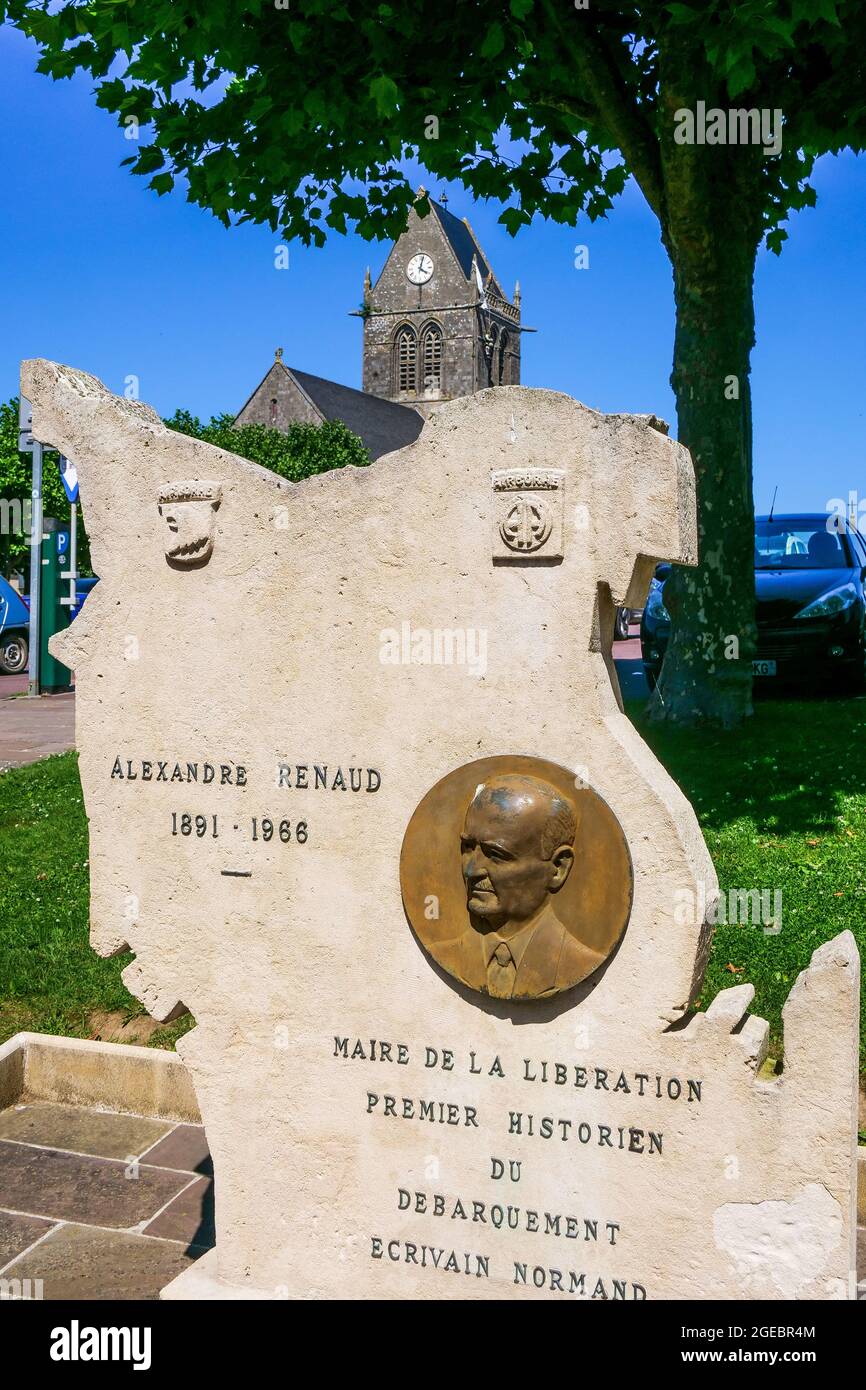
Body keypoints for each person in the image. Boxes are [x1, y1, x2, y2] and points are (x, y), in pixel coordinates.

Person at [434, 773, 605, 1000]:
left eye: (496, 855)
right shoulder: (443, 954)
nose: (471, 871)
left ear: (557, 868)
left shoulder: (577, 963)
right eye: (467, 847)